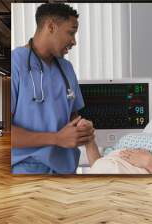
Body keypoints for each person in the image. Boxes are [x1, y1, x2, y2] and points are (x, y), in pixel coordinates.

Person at [11, 3, 94, 174]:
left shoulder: (67, 68)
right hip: (26, 171)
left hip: (65, 170)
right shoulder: (15, 64)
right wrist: (56, 139)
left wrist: (82, 128)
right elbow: (5, 134)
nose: (74, 41)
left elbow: (73, 117)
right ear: (51, 27)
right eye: (71, 32)